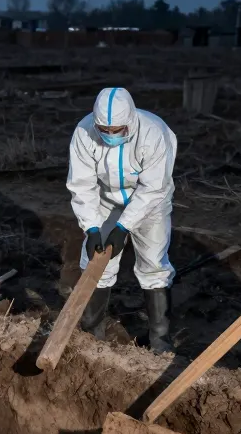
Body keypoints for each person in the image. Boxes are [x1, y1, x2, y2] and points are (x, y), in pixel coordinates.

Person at [67, 87, 178, 350]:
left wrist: (123, 227)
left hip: (151, 202)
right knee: (96, 262)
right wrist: (92, 227)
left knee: (154, 265)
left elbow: (153, 188)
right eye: (104, 130)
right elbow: (82, 184)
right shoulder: (84, 132)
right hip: (107, 200)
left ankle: (160, 339)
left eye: (117, 130)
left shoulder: (153, 133)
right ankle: (92, 331)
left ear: (129, 122)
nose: (109, 135)